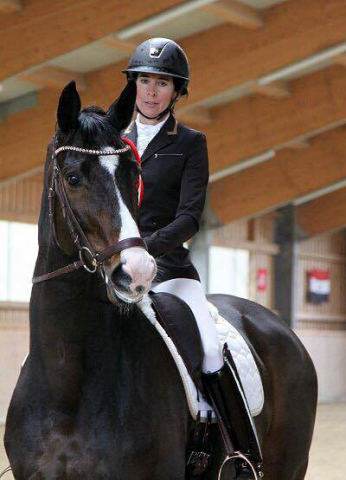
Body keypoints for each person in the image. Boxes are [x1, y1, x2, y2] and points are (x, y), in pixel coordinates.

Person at [122, 38, 262, 475]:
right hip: (113, 270)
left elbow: (189, 218)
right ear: (134, 86)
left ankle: (239, 452)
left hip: (169, 271)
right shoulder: (111, 142)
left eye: (161, 83)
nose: (150, 92)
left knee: (209, 348)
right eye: (144, 80)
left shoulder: (190, 143)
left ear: (176, 91)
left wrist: (147, 249)